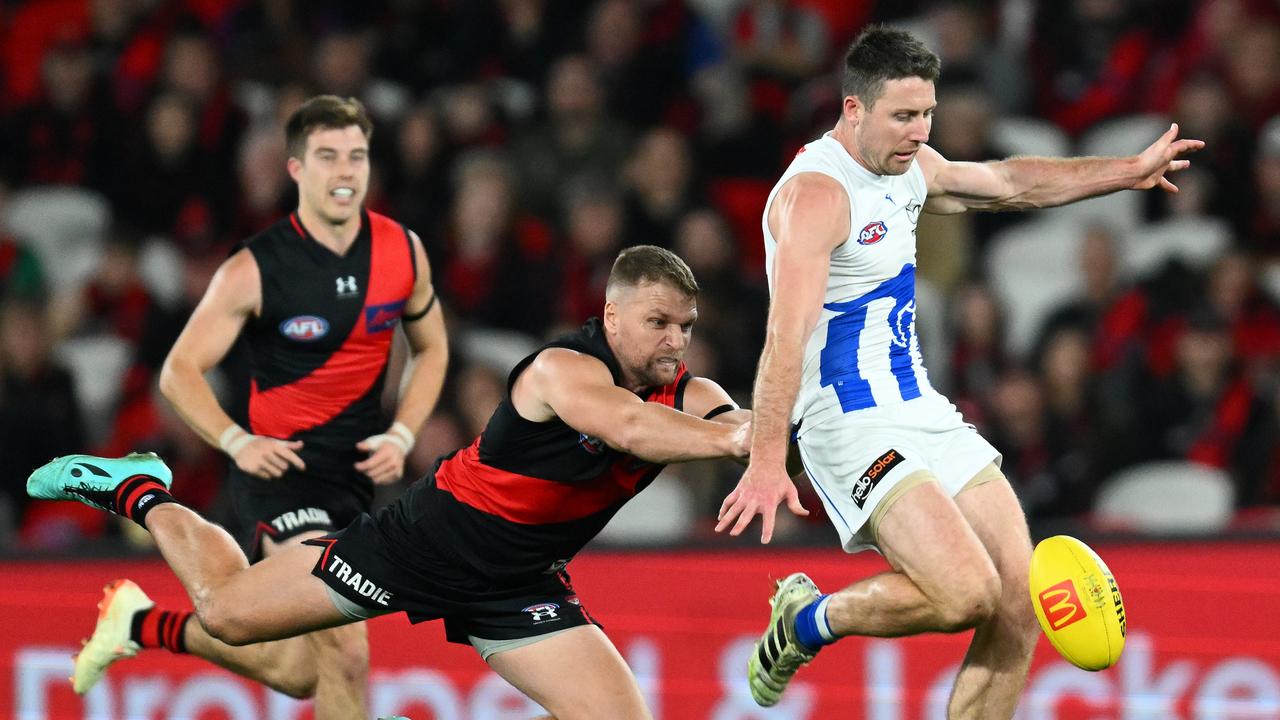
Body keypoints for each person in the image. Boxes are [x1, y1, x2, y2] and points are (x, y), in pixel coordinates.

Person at [30, 245, 751, 720]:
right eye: (658, 323)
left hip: (519, 582)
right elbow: (627, 428)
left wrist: (774, 438)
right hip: (423, 543)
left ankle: (140, 617)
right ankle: (137, 490)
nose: (674, 342)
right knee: (227, 613)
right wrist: (739, 437)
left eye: (685, 328)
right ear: (612, 315)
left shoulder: (692, 394)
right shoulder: (562, 369)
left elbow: (738, 423)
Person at [714, 25, 1203, 716]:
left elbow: (1009, 182)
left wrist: (1125, 171)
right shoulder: (817, 197)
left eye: (927, 115)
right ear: (854, 109)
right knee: (963, 594)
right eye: (903, 116)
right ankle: (803, 622)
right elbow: (784, 336)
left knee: (1017, 600)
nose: (919, 132)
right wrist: (768, 458)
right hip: (848, 422)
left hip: (921, 409)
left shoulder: (908, 165)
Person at [67, 95, 450, 718]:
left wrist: (404, 433)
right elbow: (178, 371)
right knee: (347, 648)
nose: (346, 171)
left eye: (357, 156)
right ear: (296, 169)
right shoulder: (255, 268)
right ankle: (139, 495)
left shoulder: (402, 252)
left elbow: (431, 349)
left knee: (300, 670)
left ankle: (139, 624)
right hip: (282, 473)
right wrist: (238, 442)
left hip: (353, 481)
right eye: (328, 157)